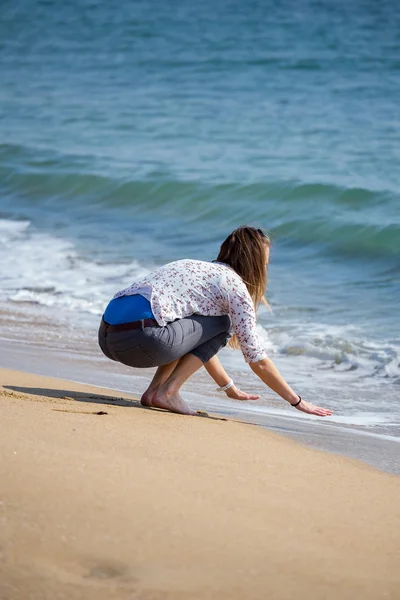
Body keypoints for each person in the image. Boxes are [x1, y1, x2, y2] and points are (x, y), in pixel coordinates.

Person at [98, 226, 332, 417]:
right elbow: (257, 359)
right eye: (264, 264)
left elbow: (195, 339)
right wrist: (297, 401)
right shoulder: (235, 287)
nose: (265, 269)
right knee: (224, 323)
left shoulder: (192, 267)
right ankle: (168, 392)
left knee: (186, 321)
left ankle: (155, 393)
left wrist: (228, 387)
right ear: (254, 264)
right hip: (141, 343)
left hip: (107, 337)